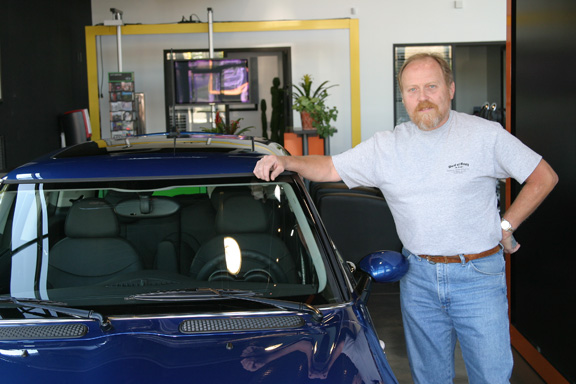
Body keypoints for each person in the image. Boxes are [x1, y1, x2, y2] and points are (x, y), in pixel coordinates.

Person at [253, 52, 558, 383]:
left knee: (491, 377)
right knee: (429, 378)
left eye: (431, 86)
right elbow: (329, 166)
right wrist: (287, 162)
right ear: (403, 97)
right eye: (412, 90)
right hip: (419, 278)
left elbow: (543, 177)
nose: (422, 98)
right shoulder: (388, 147)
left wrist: (505, 226)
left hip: (478, 277)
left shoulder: (485, 135)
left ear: (450, 88)